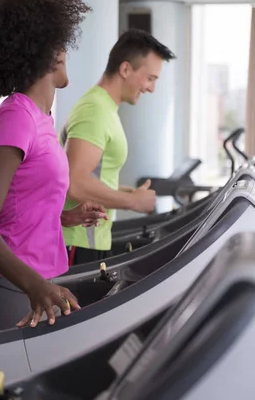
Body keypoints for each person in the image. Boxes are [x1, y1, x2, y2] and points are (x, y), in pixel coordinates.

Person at [0, 0, 108, 335]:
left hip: (30, 285)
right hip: (8, 290)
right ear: (49, 53)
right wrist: (34, 286)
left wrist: (64, 218)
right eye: (61, 44)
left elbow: (18, 209)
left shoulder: (40, 119)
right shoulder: (16, 117)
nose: (65, 51)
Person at [61, 28, 176, 265]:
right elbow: (75, 182)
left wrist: (126, 192)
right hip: (78, 240)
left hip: (90, 239)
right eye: (150, 78)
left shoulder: (105, 108)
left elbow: (95, 176)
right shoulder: (95, 111)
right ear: (125, 69)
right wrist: (133, 202)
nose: (151, 88)